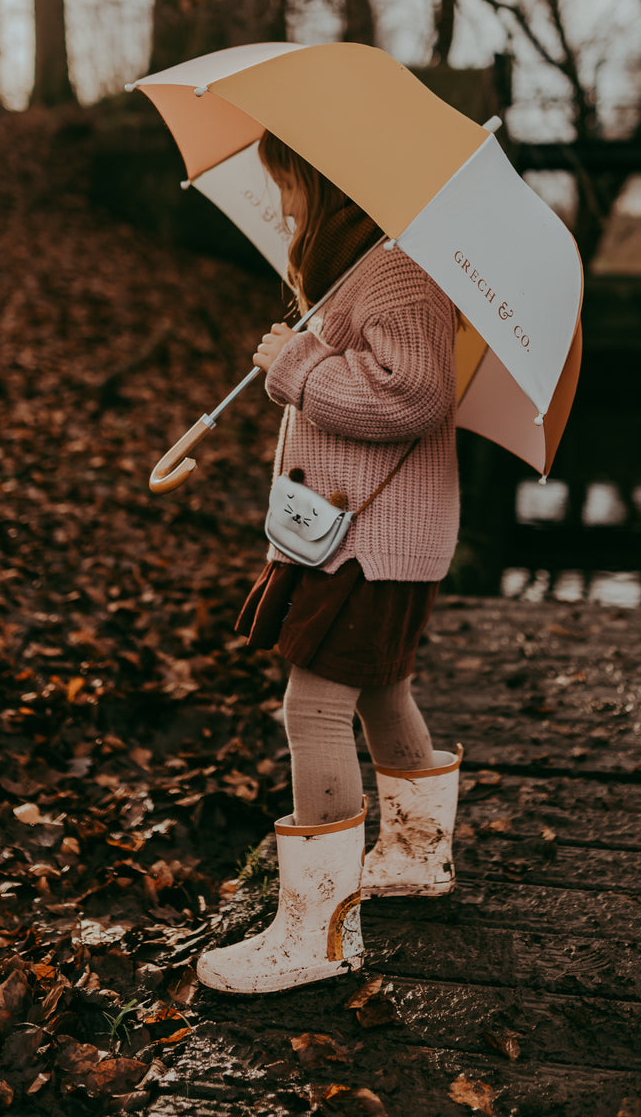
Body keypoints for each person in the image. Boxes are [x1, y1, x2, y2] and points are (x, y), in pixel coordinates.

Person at [196, 134, 462, 996]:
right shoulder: (364, 272)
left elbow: (416, 392)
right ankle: (418, 857)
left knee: (311, 709)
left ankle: (318, 932)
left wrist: (300, 364)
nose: (285, 207)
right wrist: (299, 355)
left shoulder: (397, 273)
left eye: (292, 188)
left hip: (369, 542)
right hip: (359, 536)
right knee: (380, 688)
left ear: (328, 184)